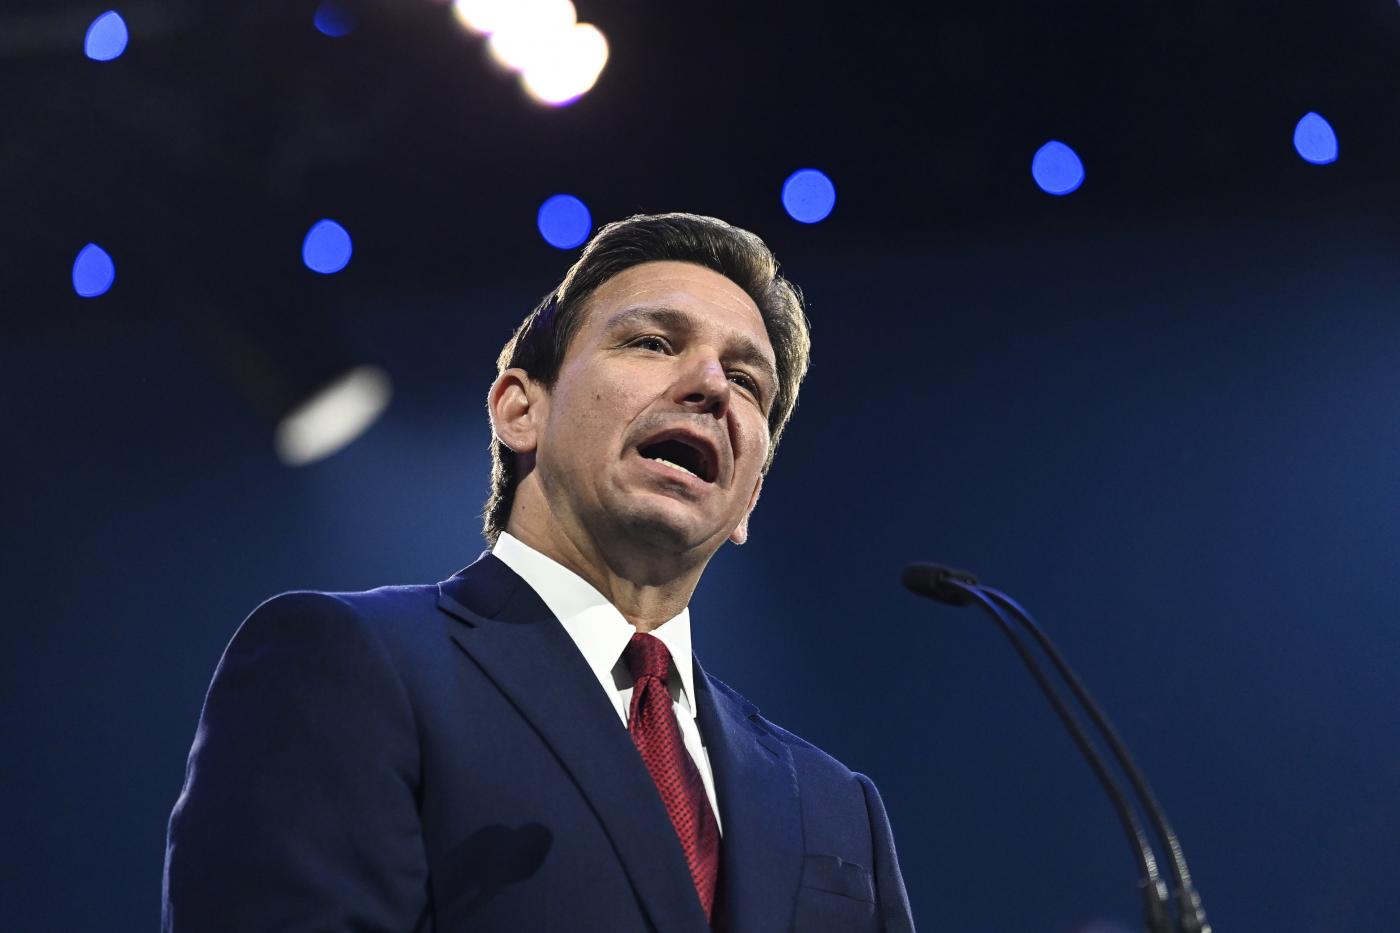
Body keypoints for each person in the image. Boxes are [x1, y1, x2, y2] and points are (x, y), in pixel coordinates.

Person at [162, 212, 916, 932]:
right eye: (654, 342)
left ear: (749, 498)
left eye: (748, 381)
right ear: (520, 410)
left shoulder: (834, 803)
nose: (713, 386)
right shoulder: (347, 665)